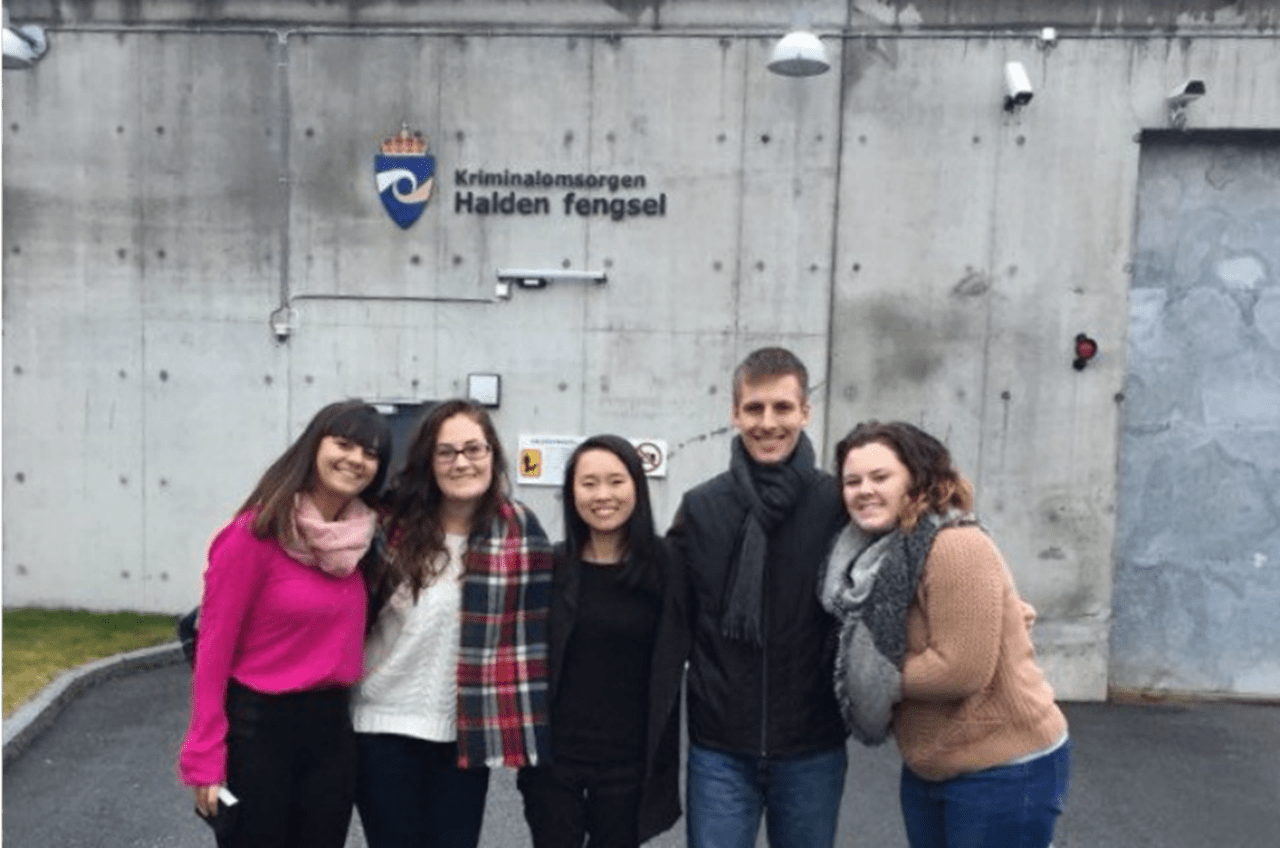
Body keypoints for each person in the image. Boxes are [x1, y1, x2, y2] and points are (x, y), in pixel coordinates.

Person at [819, 420, 1071, 848]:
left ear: (917, 480)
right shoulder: (874, 556)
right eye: (852, 480)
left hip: (1004, 768)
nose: (864, 490)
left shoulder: (954, 546)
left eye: (881, 477)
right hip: (930, 765)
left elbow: (961, 669)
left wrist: (865, 678)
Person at [178, 399, 392, 848]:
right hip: (258, 732)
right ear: (314, 445)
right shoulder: (252, 536)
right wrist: (205, 756)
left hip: (332, 733)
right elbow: (213, 652)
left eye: (370, 453)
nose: (355, 459)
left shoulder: (363, 546)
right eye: (344, 443)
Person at [668, 346, 850, 848]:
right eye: (754, 408)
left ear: (805, 412)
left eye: (782, 407)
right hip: (720, 748)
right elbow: (657, 597)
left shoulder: (838, 506)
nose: (768, 422)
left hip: (812, 744)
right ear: (734, 413)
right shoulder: (702, 508)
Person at [352, 399, 553, 848]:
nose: (461, 462)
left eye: (473, 449)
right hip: (380, 727)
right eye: (446, 452)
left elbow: (544, 623)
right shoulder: (389, 525)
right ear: (429, 461)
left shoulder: (518, 530)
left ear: (492, 455)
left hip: (465, 734)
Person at [517, 435, 688, 848]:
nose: (602, 495)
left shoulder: (670, 568)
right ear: (572, 492)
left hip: (631, 765)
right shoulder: (549, 566)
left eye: (616, 481)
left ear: (637, 488)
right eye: (588, 483)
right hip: (554, 763)